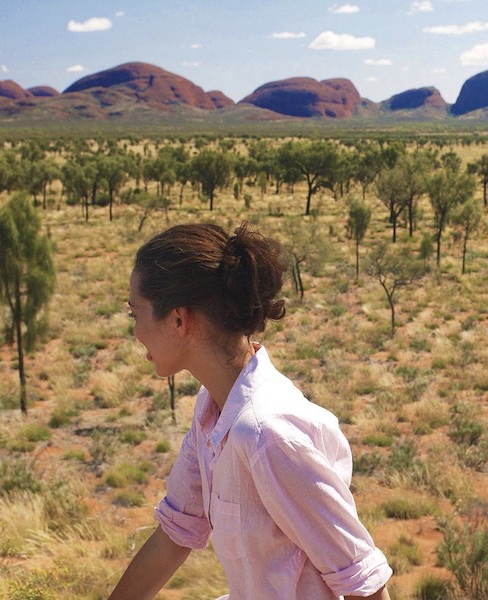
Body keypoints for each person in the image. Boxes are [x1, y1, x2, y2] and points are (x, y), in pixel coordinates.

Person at [110, 223, 392, 600]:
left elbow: (364, 585)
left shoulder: (266, 434)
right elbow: (176, 532)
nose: (136, 332)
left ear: (179, 320)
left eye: (136, 314)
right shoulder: (213, 409)